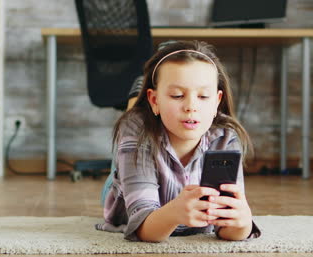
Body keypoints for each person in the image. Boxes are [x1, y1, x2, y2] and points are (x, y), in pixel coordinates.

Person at [96, 40, 261, 242]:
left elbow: (228, 229)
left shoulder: (225, 136)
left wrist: (242, 222)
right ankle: (138, 100)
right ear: (155, 100)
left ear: (217, 102)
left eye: (203, 96)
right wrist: (175, 212)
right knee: (132, 123)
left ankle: (162, 76)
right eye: (177, 95)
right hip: (124, 182)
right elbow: (143, 229)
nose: (191, 106)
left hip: (159, 142)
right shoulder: (136, 133)